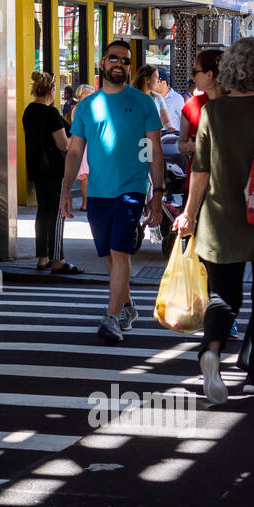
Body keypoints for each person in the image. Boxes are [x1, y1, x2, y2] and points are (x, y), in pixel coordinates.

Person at [174, 37, 254, 403]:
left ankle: (211, 351)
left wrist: (188, 213)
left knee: (224, 294)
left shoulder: (212, 113)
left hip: (220, 217)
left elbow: (199, 172)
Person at [62, 40, 164, 343]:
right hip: (97, 193)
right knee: (109, 254)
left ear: (129, 67)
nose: (119, 63)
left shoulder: (144, 102)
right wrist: (65, 190)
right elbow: (74, 151)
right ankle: (128, 306)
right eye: (113, 58)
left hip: (131, 189)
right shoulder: (86, 107)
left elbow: (154, 150)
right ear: (102, 64)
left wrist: (156, 193)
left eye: (125, 60)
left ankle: (111, 317)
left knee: (121, 250)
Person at [22, 71, 82, 275]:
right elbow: (63, 144)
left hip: (36, 169)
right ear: (51, 91)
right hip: (54, 170)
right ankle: (58, 259)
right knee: (57, 213)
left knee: (43, 211)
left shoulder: (29, 111)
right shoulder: (51, 114)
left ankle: (43, 257)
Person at [134, 64, 175, 131]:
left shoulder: (158, 98)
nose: (158, 81)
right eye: (156, 78)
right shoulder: (132, 97)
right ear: (147, 79)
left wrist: (171, 128)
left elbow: (166, 121)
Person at [74, 85, 93, 210]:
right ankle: (85, 202)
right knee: (85, 175)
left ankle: (91, 202)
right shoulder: (78, 110)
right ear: (81, 96)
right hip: (84, 145)